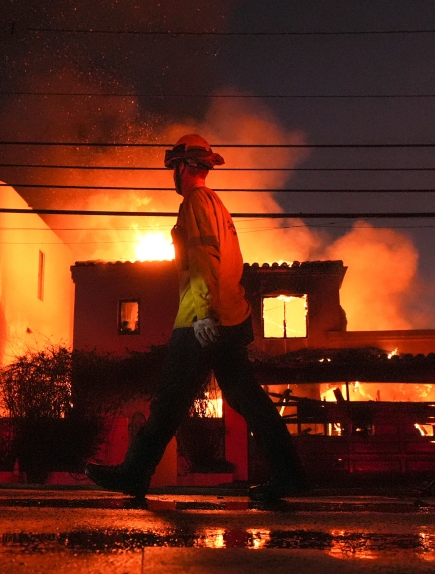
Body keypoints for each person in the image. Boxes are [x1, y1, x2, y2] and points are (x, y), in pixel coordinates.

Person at [85, 134, 307, 503]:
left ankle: (135, 473)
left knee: (171, 398)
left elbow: (205, 259)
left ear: (184, 167)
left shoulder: (195, 203)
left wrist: (203, 314)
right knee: (245, 397)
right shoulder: (217, 204)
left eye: (174, 167)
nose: (173, 174)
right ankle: (289, 473)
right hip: (228, 316)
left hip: (201, 320)